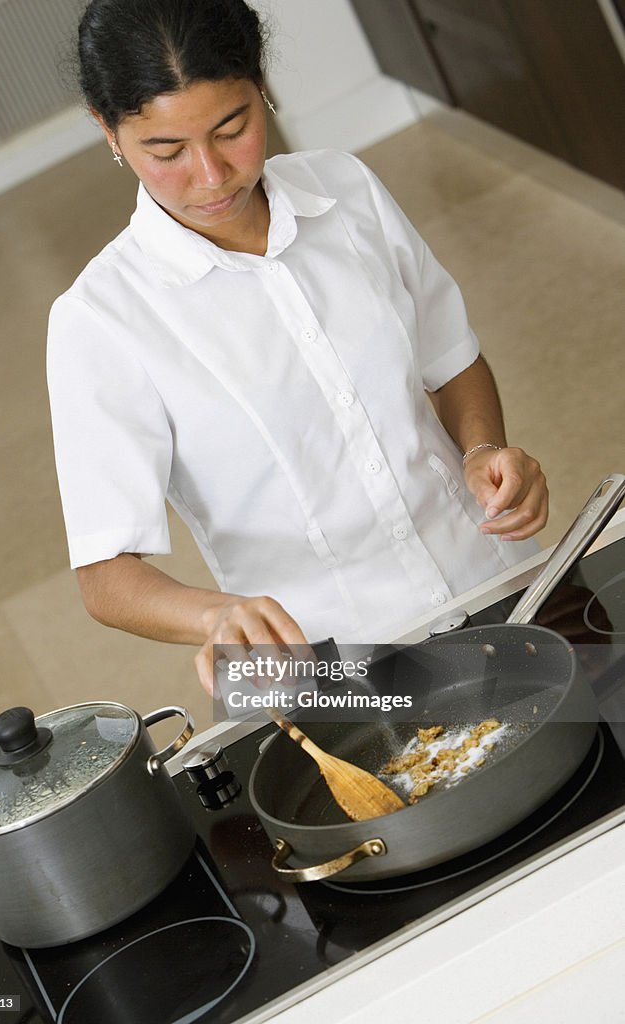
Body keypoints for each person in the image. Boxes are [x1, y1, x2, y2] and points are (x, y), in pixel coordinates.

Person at [47, 0, 548, 694]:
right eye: (166, 151)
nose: (212, 173)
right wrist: (217, 616)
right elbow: (106, 575)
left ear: (261, 86)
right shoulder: (100, 319)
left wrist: (483, 452)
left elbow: (449, 355)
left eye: (233, 128)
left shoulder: (345, 189)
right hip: (342, 667)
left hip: (497, 579)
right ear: (109, 131)